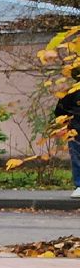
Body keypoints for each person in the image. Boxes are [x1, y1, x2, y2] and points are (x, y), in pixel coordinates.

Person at [54, 65, 80, 199]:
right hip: (75, 130)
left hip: (75, 129)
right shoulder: (70, 93)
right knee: (77, 158)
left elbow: (59, 112)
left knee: (77, 158)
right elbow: (60, 112)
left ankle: (79, 186)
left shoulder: (70, 92)